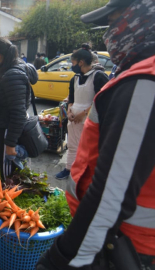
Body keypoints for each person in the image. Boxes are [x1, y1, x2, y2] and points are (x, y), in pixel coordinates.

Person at [37, 1, 155, 269]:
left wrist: (61, 258)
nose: (110, 34)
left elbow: (110, 198)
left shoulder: (150, 83)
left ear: (148, 16)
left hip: (120, 246)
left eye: (117, 21)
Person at [0, 37, 38, 180]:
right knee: (14, 175)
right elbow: (3, 102)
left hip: (9, 131)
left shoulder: (12, 75)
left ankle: (9, 201)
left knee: (9, 177)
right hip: (5, 126)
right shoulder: (8, 69)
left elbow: (18, 113)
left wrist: (10, 144)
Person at [54, 44, 109, 180]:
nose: (72, 66)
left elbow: (101, 100)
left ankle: (87, 173)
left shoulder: (99, 77)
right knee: (72, 145)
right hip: (74, 119)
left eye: (73, 63)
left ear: (81, 62)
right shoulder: (75, 78)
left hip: (90, 119)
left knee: (89, 148)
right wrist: (70, 111)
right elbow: (71, 98)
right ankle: (69, 169)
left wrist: (83, 113)